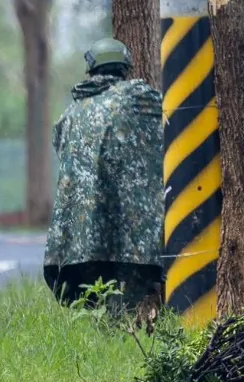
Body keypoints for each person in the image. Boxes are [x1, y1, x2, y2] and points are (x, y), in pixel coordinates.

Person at [45, 37, 164, 311]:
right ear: (125, 67)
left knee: (94, 307)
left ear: (91, 68)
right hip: (130, 235)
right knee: (125, 304)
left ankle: (107, 339)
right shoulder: (136, 97)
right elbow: (175, 113)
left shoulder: (69, 114)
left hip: (77, 238)